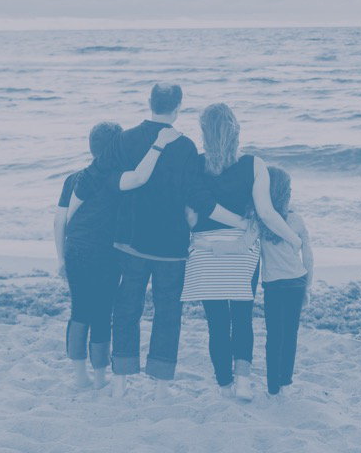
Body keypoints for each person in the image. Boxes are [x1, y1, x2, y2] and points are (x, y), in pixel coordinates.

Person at [68, 84, 248, 399]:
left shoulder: (125, 139)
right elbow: (199, 198)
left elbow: (92, 176)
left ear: (149, 103)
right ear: (178, 107)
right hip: (171, 248)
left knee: (126, 309)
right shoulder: (186, 147)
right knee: (167, 314)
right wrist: (240, 222)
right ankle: (162, 387)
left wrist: (70, 216)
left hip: (130, 243)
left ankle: (121, 382)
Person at [180, 104, 303, 401]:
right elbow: (266, 213)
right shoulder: (254, 164)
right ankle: (243, 382)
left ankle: (224, 385)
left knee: (217, 322)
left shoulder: (195, 165)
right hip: (243, 249)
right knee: (243, 316)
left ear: (205, 133)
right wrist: (293, 239)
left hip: (205, 250)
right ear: (236, 131)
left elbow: (191, 217)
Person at [54, 121, 180, 390]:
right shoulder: (115, 178)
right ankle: (100, 377)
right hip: (105, 255)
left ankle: (79, 376)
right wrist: (159, 145)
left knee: (79, 311)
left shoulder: (74, 178)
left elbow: (59, 221)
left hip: (75, 250)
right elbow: (139, 178)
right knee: (101, 314)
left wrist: (61, 257)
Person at [259, 167, 313, 397]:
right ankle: (285, 384)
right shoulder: (296, 219)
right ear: (286, 193)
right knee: (291, 333)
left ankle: (272, 386)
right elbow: (308, 256)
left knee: (274, 335)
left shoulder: (261, 221)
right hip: (296, 282)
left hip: (273, 284)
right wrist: (308, 286)